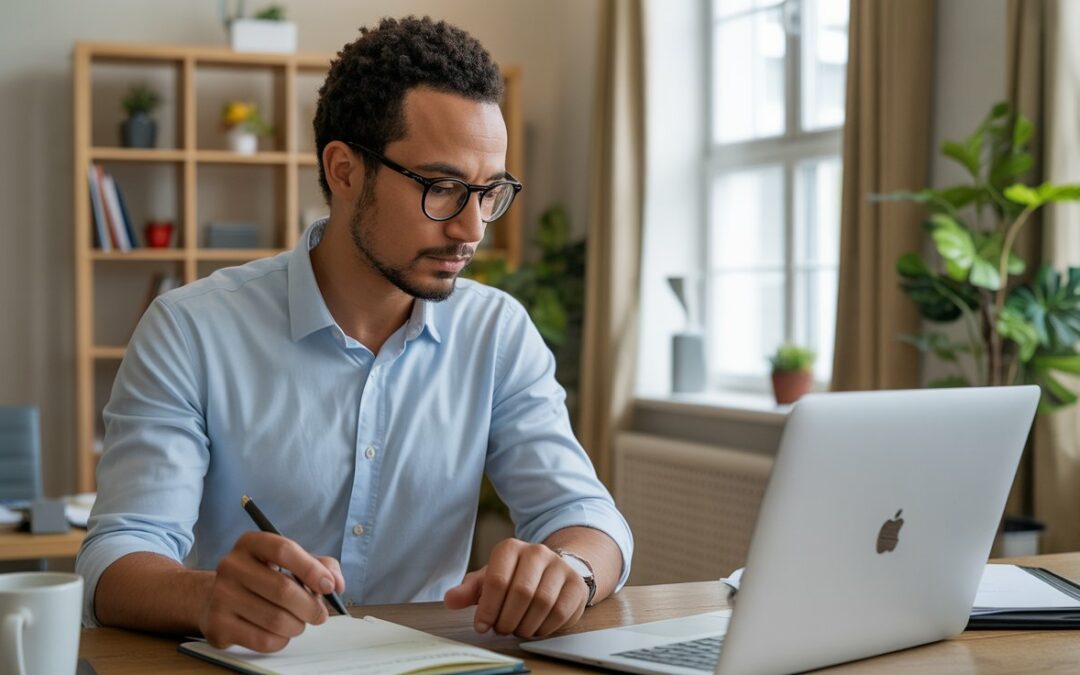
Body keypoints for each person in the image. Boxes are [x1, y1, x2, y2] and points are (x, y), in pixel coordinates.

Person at [76, 15, 632, 653]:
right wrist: (204, 597)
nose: (473, 230)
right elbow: (115, 559)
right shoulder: (190, 331)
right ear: (343, 171)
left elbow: (590, 521)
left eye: (489, 192)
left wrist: (571, 571)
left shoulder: (497, 332)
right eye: (444, 188)